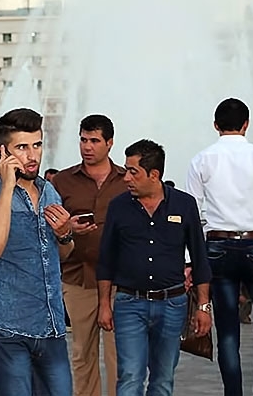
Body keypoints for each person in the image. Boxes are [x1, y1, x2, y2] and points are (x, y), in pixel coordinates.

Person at [186, 97, 253, 396]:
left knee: (228, 329)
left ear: (215, 125)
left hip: (217, 247)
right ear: (246, 125)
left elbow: (192, 216)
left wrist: (189, 261)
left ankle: (233, 392)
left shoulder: (202, 160)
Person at [0, 108, 74, 396]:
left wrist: (65, 234)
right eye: (22, 147)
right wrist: (7, 187)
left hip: (52, 327)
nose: (32, 155)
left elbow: (62, 255)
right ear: (3, 152)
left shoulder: (50, 191)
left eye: (37, 145)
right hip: (8, 329)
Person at [97, 139, 212, 396]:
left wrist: (204, 307)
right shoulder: (118, 207)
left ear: (154, 174)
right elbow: (106, 260)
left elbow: (200, 259)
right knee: (129, 377)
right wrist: (105, 304)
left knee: (162, 379)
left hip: (172, 305)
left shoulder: (184, 205)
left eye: (133, 171)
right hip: (129, 304)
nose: (126, 177)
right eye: (126, 170)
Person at [51, 114, 126, 396]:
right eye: (83, 140)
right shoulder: (62, 181)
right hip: (77, 278)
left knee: (119, 357)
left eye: (94, 141)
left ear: (109, 143)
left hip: (121, 281)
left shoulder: (124, 180)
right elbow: (49, 225)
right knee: (83, 355)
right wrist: (67, 228)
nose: (87, 147)